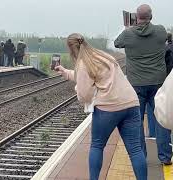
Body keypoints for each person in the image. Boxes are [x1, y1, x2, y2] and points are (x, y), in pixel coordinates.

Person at [56, 33, 147, 180]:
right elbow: (87, 75)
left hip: (108, 109)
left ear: (71, 49)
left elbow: (84, 94)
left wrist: (77, 89)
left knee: (97, 146)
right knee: (136, 150)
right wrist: (66, 73)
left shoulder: (83, 63)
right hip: (130, 104)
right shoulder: (102, 56)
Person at [114, 4, 172, 165]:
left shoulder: (127, 34)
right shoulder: (160, 31)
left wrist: (127, 27)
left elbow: (116, 43)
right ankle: (165, 157)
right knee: (161, 118)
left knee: (136, 121)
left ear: (136, 17)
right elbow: (167, 37)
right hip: (158, 84)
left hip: (136, 85)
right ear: (151, 16)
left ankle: (141, 156)